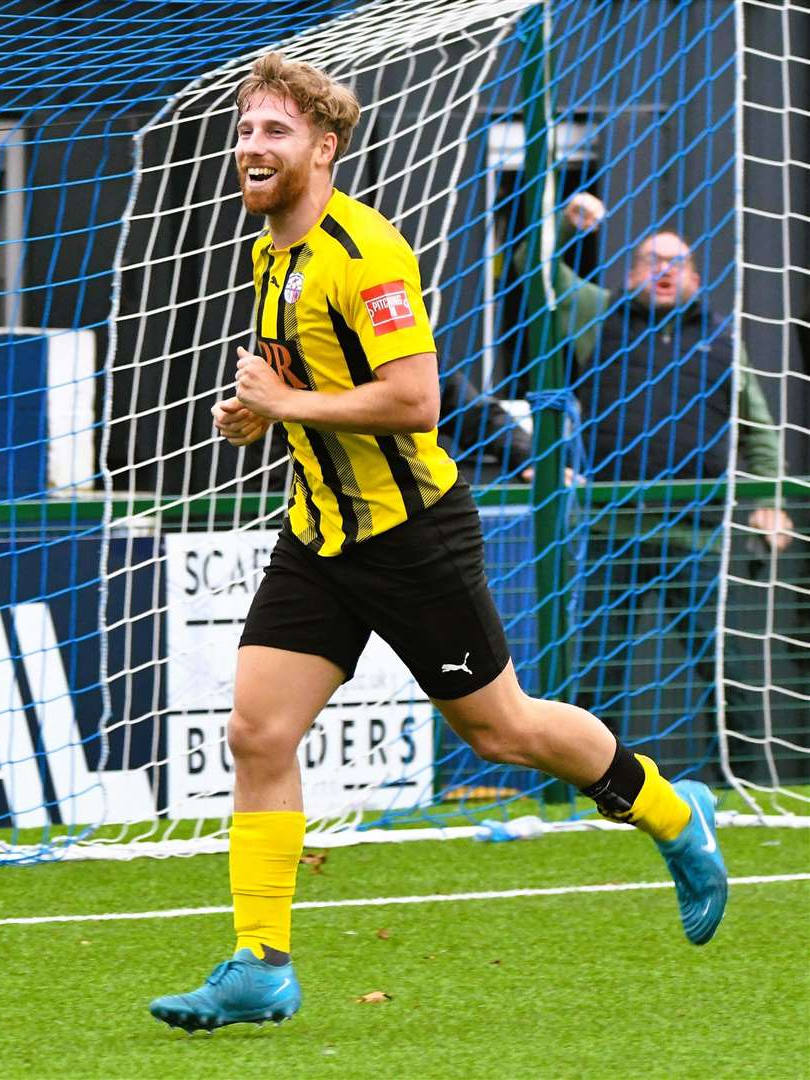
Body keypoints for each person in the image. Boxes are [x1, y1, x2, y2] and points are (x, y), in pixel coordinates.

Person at [147, 53, 727, 1034]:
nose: (250, 145)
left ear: (323, 149)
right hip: (318, 536)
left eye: (273, 131)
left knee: (501, 730)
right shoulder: (270, 252)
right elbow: (310, 381)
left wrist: (286, 400)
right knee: (256, 731)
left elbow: (416, 399)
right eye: (245, 129)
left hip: (412, 533)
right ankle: (259, 964)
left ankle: (670, 812)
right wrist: (261, 416)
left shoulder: (363, 250)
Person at [524, 192, 796, 779]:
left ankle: (746, 784)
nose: (665, 271)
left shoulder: (725, 340)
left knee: (726, 668)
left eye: (676, 262)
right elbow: (536, 267)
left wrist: (770, 503)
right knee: (598, 672)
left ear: (695, 276)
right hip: (612, 533)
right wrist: (565, 224)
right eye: (652, 261)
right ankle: (593, 786)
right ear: (632, 274)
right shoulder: (600, 314)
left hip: (694, 537)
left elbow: (761, 432)